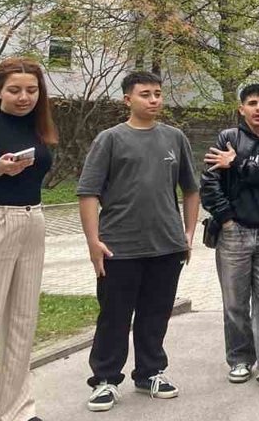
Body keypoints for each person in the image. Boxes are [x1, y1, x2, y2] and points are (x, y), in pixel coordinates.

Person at [76, 71, 199, 412]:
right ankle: (105, 379)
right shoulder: (110, 139)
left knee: (155, 314)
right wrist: (93, 241)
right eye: (145, 94)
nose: (154, 99)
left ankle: (150, 373)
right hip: (119, 246)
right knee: (114, 316)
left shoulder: (175, 138)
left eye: (158, 93)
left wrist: (188, 233)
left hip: (167, 246)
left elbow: (191, 189)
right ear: (127, 99)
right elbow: (88, 192)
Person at [200, 83, 259, 384]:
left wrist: (237, 163)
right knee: (235, 302)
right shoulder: (227, 139)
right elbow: (209, 182)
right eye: (252, 103)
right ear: (241, 108)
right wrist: (226, 219)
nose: (258, 108)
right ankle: (240, 359)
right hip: (234, 233)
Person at [0, 57, 57, 421]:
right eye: (14, 90)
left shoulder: (37, 129)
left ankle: (17, 411)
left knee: (22, 319)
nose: (24, 97)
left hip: (33, 220)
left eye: (31, 90)